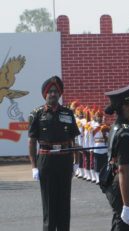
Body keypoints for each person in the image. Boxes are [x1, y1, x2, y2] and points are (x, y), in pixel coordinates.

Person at [28, 76, 80, 231]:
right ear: (45, 94)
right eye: (50, 91)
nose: (53, 94)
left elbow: (73, 140)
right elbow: (31, 142)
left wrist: (76, 163)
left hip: (64, 160)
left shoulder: (68, 113)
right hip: (46, 160)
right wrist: (34, 167)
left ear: (60, 94)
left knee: (64, 202)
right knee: (49, 203)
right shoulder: (36, 114)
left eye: (56, 91)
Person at [103, 83, 129, 230]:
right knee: (127, 226)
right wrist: (127, 205)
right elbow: (123, 169)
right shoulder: (125, 133)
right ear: (125, 105)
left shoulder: (127, 126)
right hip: (127, 185)